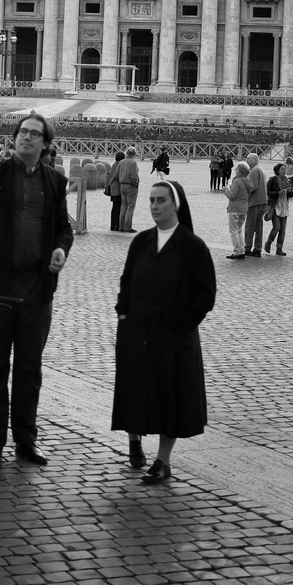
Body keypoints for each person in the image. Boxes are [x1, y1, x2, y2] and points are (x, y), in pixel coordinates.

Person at [0, 114, 72, 468]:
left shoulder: (54, 181)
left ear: (45, 144)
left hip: (37, 288)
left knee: (29, 368)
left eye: (34, 134)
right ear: (15, 138)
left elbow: (62, 228)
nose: (26, 138)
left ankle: (26, 440)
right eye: (22, 132)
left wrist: (60, 250)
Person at [112, 180, 216, 484]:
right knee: (134, 388)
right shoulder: (141, 241)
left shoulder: (193, 247)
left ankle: (162, 460)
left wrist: (182, 324)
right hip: (136, 330)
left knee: (170, 395)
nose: (155, 206)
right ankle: (134, 442)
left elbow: (205, 295)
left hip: (173, 335)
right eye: (152, 201)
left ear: (176, 204)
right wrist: (123, 312)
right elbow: (127, 281)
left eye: (161, 201)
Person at [225, 161, 250, 260]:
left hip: (235, 208)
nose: (235, 170)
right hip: (243, 208)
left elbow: (232, 196)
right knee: (239, 230)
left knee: (233, 231)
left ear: (241, 171)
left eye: (237, 169)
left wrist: (226, 190)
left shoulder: (237, 181)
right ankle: (242, 250)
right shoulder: (247, 181)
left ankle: (237, 251)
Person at [264, 163, 291, 256]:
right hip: (275, 206)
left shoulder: (287, 181)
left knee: (283, 230)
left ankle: (279, 248)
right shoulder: (273, 180)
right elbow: (267, 192)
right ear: (277, 171)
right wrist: (278, 193)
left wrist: (290, 192)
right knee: (277, 227)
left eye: (285, 169)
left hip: (284, 206)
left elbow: (291, 195)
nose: (284, 171)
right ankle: (268, 243)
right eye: (282, 169)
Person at [244, 152, 267, 257]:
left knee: (250, 226)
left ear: (253, 160)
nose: (246, 160)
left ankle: (247, 247)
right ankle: (257, 248)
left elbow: (253, 187)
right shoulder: (260, 169)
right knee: (258, 227)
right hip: (262, 200)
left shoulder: (253, 171)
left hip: (254, 202)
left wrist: (244, 189)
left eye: (248, 159)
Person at [116, 147, 140, 233]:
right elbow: (133, 176)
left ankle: (121, 226)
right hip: (130, 186)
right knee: (130, 207)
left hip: (122, 185)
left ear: (127, 153)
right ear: (134, 154)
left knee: (123, 206)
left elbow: (116, 174)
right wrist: (136, 184)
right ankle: (127, 227)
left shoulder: (121, 162)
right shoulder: (133, 163)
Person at [107, 151, 125, 232]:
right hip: (119, 188)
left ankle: (112, 225)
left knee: (114, 207)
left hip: (113, 189)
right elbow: (119, 176)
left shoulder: (114, 165)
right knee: (119, 206)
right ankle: (117, 225)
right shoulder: (120, 165)